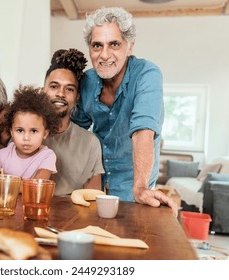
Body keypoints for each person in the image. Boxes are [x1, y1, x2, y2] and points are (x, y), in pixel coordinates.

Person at [71, 7, 178, 214]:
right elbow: (76, 134)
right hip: (95, 182)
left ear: (129, 47)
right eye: (97, 46)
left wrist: (140, 188)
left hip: (134, 185)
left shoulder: (147, 74)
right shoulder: (87, 80)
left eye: (114, 44)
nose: (104, 55)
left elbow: (143, 131)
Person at [42, 48, 104, 196]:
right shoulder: (24, 132)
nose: (60, 94)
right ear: (42, 91)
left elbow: (93, 199)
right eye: (54, 86)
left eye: (69, 89)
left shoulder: (90, 143)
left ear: (77, 97)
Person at [0, 85, 60, 180]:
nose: (26, 138)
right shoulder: (2, 155)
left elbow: (36, 186)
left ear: (45, 133)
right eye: (20, 130)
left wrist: (6, 181)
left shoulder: (47, 156)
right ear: (11, 132)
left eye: (33, 131)